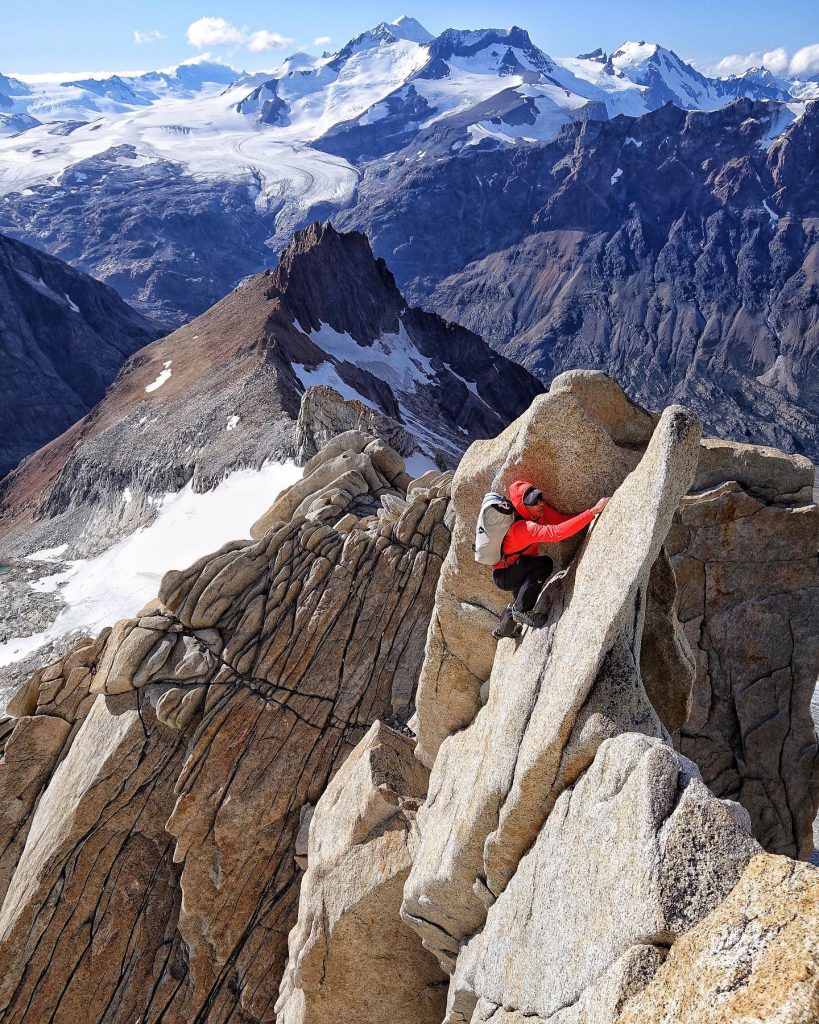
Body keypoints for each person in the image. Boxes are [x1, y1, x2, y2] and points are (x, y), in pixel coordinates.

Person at [492, 481, 610, 638]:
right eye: (534, 502)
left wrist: (588, 516)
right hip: (506, 575)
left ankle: (502, 631)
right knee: (544, 565)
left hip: (520, 566)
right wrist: (593, 511)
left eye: (539, 497)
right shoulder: (523, 529)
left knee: (521, 599)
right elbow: (556, 533)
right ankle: (520, 611)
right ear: (522, 507)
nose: (540, 503)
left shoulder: (538, 512)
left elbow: (560, 520)